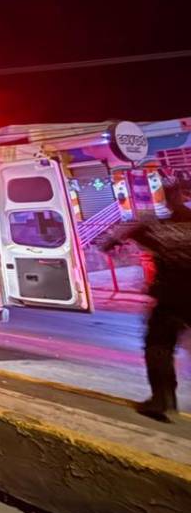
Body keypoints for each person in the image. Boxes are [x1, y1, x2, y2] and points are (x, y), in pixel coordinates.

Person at [103, 179, 191, 422]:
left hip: (170, 299)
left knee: (158, 347)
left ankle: (162, 399)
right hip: (173, 298)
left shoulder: (157, 227)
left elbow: (113, 241)